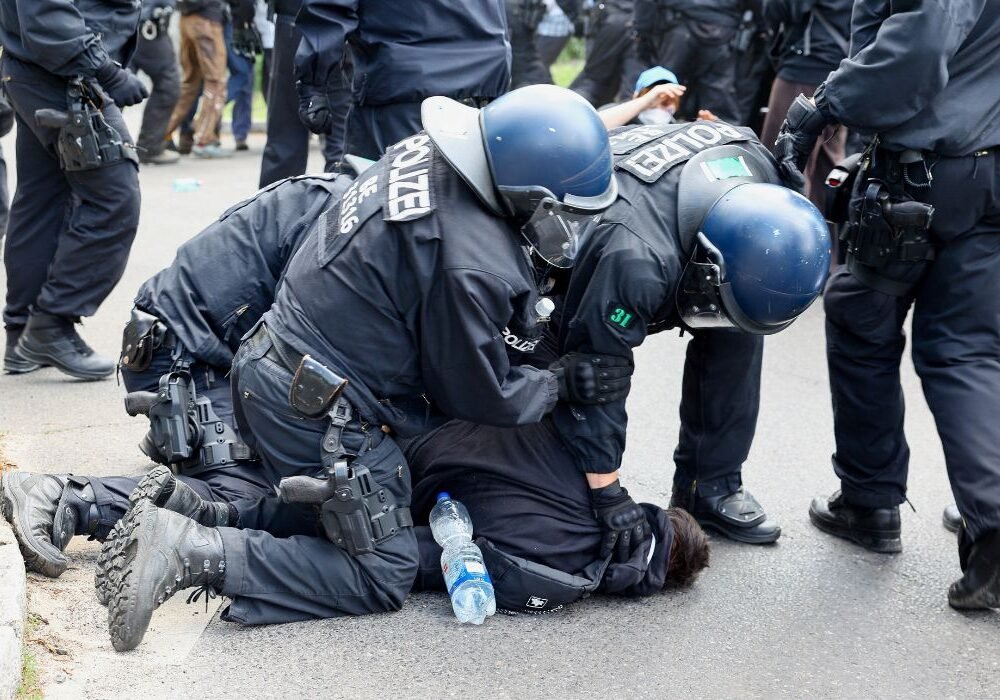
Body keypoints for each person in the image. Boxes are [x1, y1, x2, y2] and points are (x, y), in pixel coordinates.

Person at [95, 86, 633, 651]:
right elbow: (479, 396)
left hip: (274, 369)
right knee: (383, 570)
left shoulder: (422, 159)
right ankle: (188, 550)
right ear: (532, 196)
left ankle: (197, 507)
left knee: (343, 519)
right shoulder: (476, 263)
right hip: (320, 410)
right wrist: (559, 383)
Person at [0, 168, 362, 578]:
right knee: (253, 498)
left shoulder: (348, 199)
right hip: (185, 362)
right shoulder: (350, 226)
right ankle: (66, 497)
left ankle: (190, 443)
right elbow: (308, 360)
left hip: (188, 351)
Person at [775, 0, 1000, 609]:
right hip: (985, 165)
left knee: (860, 319)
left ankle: (871, 501)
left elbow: (922, 44)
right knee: (967, 350)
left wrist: (826, 101)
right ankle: (993, 524)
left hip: (925, 168)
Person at [552, 117, 831, 545]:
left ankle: (710, 486)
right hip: (570, 254)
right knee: (574, 373)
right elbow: (598, 372)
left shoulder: (765, 189)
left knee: (737, 325)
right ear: (705, 262)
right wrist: (606, 494)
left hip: (681, 225)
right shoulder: (635, 260)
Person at [0, 0, 146, 380]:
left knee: (42, 199)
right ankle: (50, 324)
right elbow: (46, 14)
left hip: (42, 70)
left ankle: (22, 334)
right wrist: (106, 71)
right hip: (65, 74)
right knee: (116, 197)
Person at [294, 0, 511, 160]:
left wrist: (312, 85)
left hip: (404, 90)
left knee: (380, 209)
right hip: (484, 87)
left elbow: (329, 10)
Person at [760, 0, 851, 210]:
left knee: (781, 169)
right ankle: (824, 242)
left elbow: (777, 9)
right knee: (827, 176)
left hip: (804, 69)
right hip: (843, 73)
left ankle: (781, 239)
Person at [257, 0, 348, 187]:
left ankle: (277, 210)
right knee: (342, 138)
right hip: (339, 23)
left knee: (288, 136)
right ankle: (345, 206)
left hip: (301, 19)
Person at [633, 0, 748, 123]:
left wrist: (643, 31)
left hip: (682, 26)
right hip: (719, 29)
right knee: (716, 93)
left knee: (666, 89)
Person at [164, 0, 231, 158]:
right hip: (207, 21)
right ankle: (204, 140)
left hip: (186, 19)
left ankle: (161, 135)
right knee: (216, 83)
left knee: (189, 83)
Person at [130, 0, 182, 165]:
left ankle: (100, 148)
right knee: (168, 82)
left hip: (129, 20)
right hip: (146, 23)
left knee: (112, 82)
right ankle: (150, 146)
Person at [569, 0, 643, 108]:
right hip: (630, 18)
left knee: (595, 79)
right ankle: (572, 106)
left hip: (619, 17)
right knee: (631, 86)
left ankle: (572, 106)